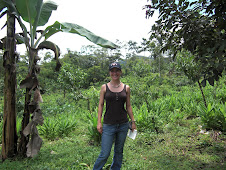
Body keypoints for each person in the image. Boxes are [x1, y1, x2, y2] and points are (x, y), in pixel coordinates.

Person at [93, 62, 136, 170]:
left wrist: (133, 121)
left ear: (120, 72)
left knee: (119, 151)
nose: (115, 73)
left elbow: (129, 106)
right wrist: (99, 122)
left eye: (117, 70)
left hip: (123, 124)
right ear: (109, 73)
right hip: (108, 125)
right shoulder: (104, 87)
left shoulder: (126, 88)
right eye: (112, 71)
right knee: (104, 153)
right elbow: (101, 105)